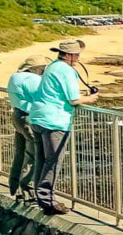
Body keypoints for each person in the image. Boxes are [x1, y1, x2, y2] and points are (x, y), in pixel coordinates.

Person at [28, 39, 100, 215]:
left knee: (42, 159)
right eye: (76, 54)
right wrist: (90, 99)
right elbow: (73, 100)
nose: (78, 57)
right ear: (68, 55)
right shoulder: (66, 70)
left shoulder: (52, 66)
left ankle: (40, 197)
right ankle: (47, 201)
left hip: (38, 117)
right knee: (53, 161)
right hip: (54, 120)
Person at [6, 57, 45, 200]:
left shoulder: (15, 77)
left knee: (20, 153)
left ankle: (14, 186)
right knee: (33, 154)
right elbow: (44, 96)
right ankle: (27, 188)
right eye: (42, 68)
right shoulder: (31, 79)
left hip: (17, 116)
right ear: (34, 68)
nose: (43, 71)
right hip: (28, 117)